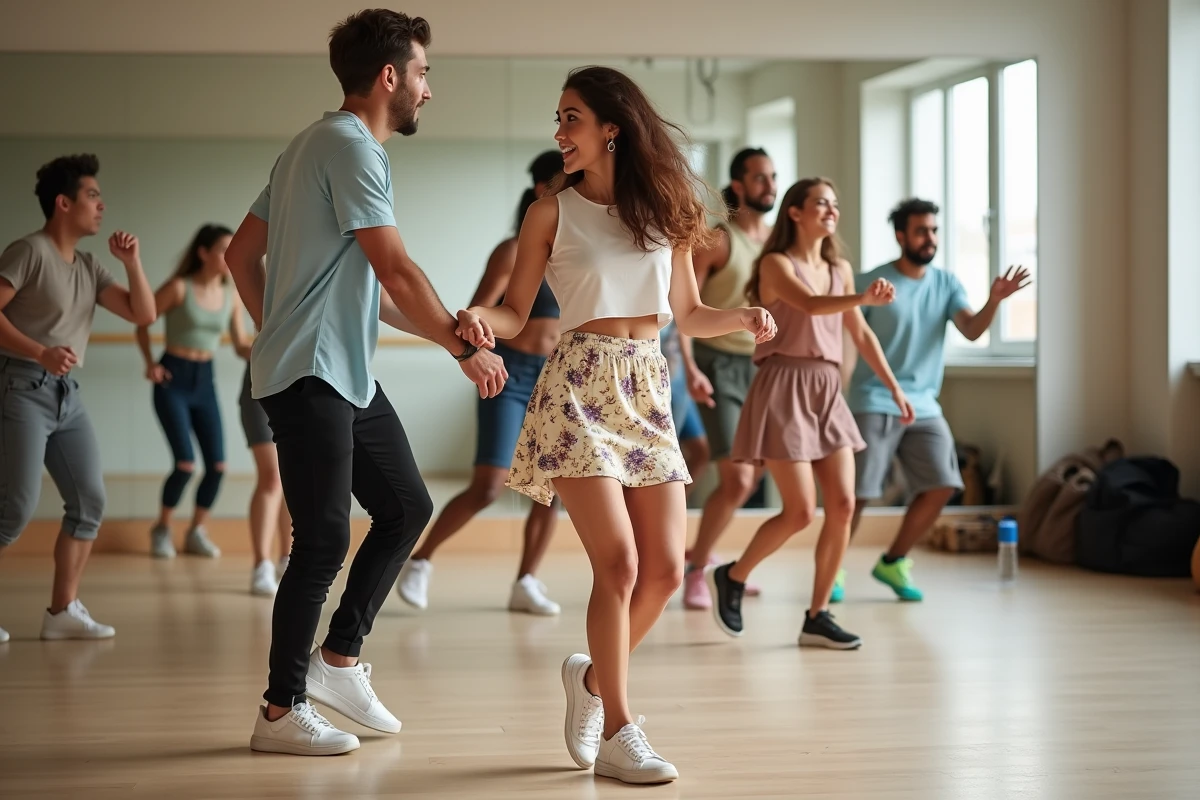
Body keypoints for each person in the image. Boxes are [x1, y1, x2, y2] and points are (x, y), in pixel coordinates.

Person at [456, 65, 776, 784]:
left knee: (663, 570)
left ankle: (593, 682)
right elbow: (516, 310)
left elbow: (688, 313)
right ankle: (620, 730)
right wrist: (484, 320)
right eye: (558, 118)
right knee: (621, 565)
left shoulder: (669, 212)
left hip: (646, 385)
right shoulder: (550, 212)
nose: (559, 132)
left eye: (571, 117)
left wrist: (744, 316)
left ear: (613, 128)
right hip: (577, 386)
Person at [224, 9, 507, 757]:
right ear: (389, 77)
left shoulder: (304, 148)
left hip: (338, 370)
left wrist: (279, 322)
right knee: (320, 543)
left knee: (407, 506)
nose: (427, 90)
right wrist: (461, 348)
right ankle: (280, 712)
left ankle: (339, 660)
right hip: (314, 373)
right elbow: (398, 269)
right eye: (422, 73)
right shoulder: (352, 148)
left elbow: (241, 257)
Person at [705, 178, 914, 649]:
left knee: (841, 505)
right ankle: (732, 577)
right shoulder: (776, 264)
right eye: (822, 202)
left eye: (835, 204)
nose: (831, 210)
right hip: (783, 385)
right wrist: (862, 297)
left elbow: (860, 336)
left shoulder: (839, 268)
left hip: (826, 387)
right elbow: (811, 306)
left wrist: (895, 389)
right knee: (800, 511)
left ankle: (818, 615)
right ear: (795, 212)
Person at [396, 150, 565, 616]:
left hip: (557, 379)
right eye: (565, 182)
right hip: (511, 375)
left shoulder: (573, 249)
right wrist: (476, 350)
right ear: (541, 192)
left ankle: (526, 581)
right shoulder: (514, 250)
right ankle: (421, 560)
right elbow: (476, 310)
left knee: (551, 487)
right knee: (488, 486)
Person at [0, 153, 155, 643]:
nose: (101, 204)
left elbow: (142, 314)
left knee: (89, 502)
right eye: (92, 195)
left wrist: (132, 263)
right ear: (63, 204)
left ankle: (62, 611)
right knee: (14, 510)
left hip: (67, 395)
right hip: (21, 387)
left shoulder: (89, 265)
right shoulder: (28, 251)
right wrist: (40, 351)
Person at [845, 198, 1030, 601]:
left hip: (924, 406)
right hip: (873, 400)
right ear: (901, 236)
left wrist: (995, 300)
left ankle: (892, 563)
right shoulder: (871, 283)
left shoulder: (947, 284)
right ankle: (833, 570)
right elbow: (852, 338)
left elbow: (971, 330)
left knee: (943, 484)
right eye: (920, 231)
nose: (930, 238)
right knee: (856, 494)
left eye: (934, 230)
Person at [677, 148, 776, 610]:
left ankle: (701, 557)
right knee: (735, 479)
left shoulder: (776, 243)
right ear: (738, 185)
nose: (769, 185)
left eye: (773, 177)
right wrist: (692, 368)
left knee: (749, 478)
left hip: (759, 369)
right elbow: (686, 309)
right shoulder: (719, 240)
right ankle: (699, 571)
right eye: (760, 178)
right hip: (717, 366)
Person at [136, 224, 239, 561]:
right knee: (184, 464)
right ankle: (162, 528)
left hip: (204, 381)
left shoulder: (230, 294)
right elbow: (143, 320)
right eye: (224, 249)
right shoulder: (179, 288)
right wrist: (150, 362)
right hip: (173, 379)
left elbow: (240, 345)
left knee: (218, 466)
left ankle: (196, 530)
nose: (229, 257)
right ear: (204, 253)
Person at [231, 315, 293, 596]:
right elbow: (242, 343)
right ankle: (261, 564)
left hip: (302, 383)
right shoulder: (275, 279)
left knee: (293, 477)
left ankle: (287, 558)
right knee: (271, 478)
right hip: (262, 384)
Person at [659, 321, 710, 489]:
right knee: (663, 453)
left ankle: (677, 509)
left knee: (699, 451)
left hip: (676, 368)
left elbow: (688, 317)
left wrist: (690, 369)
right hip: (653, 370)